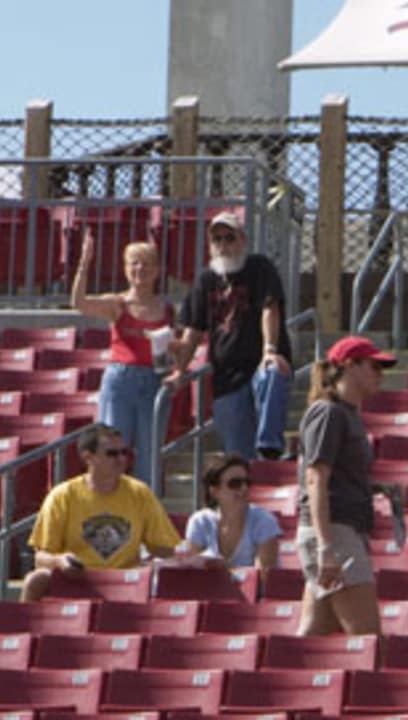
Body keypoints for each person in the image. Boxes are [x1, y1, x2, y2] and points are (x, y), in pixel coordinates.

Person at [169, 211, 292, 461]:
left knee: (273, 372)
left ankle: (270, 446)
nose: (223, 245)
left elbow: (270, 307)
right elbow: (193, 328)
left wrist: (269, 350)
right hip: (226, 377)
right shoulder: (206, 280)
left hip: (260, 365)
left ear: (242, 240)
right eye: (217, 239)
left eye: (229, 238)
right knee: (237, 458)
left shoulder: (259, 267)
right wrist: (180, 369)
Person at [296, 335, 396, 636]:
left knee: (314, 634)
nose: (380, 375)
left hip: (340, 529)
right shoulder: (329, 412)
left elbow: (335, 475)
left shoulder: (347, 414)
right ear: (349, 366)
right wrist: (327, 547)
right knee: (368, 641)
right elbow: (315, 479)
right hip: (334, 532)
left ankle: (272, 683)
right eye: (374, 366)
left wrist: (374, 488)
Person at [22, 423, 183, 602]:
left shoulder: (140, 493)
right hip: (79, 578)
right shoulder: (63, 495)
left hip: (125, 580)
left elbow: (164, 549)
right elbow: (41, 558)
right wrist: (60, 561)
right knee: (34, 580)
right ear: (88, 457)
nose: (121, 459)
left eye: (124, 452)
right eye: (112, 454)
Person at [70, 235, 173, 486]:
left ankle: (146, 512)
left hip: (154, 379)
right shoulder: (118, 303)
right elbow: (79, 303)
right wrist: (85, 263)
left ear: (157, 269)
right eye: (134, 263)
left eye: (147, 263)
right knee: (111, 448)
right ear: (126, 269)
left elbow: (176, 348)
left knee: (150, 452)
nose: (141, 269)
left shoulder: (167, 308)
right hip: (122, 379)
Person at [184, 454, 282, 582]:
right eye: (235, 484)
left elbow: (263, 580)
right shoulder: (199, 522)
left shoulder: (264, 521)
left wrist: (224, 571)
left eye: (247, 482)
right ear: (214, 491)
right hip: (210, 595)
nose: (244, 488)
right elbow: (195, 578)